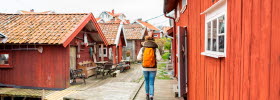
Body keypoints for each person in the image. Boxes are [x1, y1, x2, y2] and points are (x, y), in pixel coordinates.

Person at [137, 36, 162, 100]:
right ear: (153, 41)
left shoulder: (143, 49)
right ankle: (151, 96)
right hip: (153, 68)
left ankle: (147, 95)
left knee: (146, 81)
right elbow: (159, 59)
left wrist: (144, 59)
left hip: (145, 68)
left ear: (146, 41)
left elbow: (138, 58)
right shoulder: (155, 49)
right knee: (151, 82)